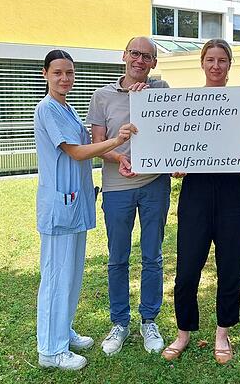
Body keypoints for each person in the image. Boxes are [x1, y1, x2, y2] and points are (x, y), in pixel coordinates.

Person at [34, 49, 137, 370]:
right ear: (45, 75)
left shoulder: (67, 109)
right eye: (57, 73)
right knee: (55, 276)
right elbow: (77, 152)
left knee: (72, 273)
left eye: (69, 73)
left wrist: (118, 156)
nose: (64, 78)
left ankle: (62, 331)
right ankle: (51, 350)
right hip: (59, 204)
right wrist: (115, 142)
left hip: (75, 201)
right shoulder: (48, 109)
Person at [161, 39, 240, 365]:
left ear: (229, 65)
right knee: (186, 270)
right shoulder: (189, 103)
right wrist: (174, 161)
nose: (216, 66)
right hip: (197, 191)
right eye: (210, 60)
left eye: (222, 60)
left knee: (231, 267)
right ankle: (183, 332)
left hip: (234, 192)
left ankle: (222, 333)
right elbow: (173, 144)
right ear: (202, 63)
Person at [86, 37, 171, 356]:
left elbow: (177, 133)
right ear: (124, 55)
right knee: (117, 257)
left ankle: (149, 320)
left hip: (154, 186)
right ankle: (119, 323)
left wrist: (178, 162)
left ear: (153, 63)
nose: (139, 60)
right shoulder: (101, 96)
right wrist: (118, 157)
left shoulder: (162, 92)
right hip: (117, 187)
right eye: (135, 53)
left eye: (147, 56)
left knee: (153, 255)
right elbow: (98, 145)